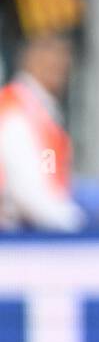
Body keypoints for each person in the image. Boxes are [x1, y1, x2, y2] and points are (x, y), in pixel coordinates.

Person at [0, 35, 84, 232]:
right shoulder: (15, 110)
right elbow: (28, 193)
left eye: (65, 53)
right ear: (29, 57)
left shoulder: (41, 109)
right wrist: (81, 228)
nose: (60, 62)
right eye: (50, 51)